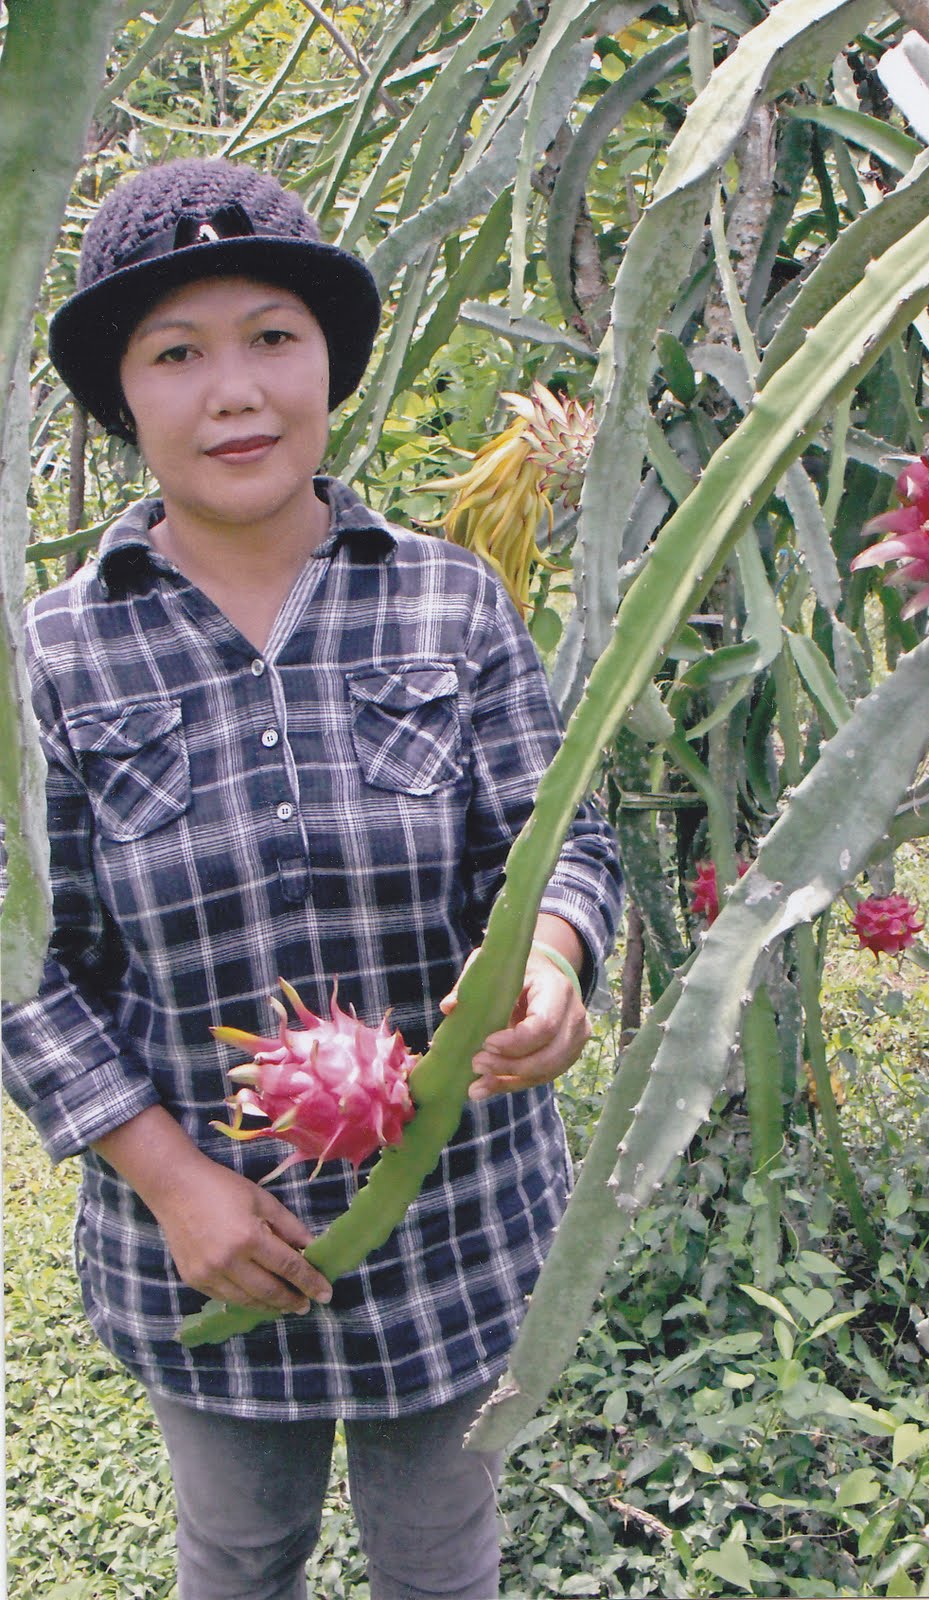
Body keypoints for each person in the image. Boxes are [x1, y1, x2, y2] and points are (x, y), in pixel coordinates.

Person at [2, 158, 623, 1600]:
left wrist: (552, 959)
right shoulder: (50, 658)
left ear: (329, 361)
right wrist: (169, 1181)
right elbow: (23, 959)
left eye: (273, 336)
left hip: (459, 1224)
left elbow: (558, 836)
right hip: (208, 1240)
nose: (236, 392)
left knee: (441, 1558)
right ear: (122, 400)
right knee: (240, 1553)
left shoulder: (450, 599)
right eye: (177, 354)